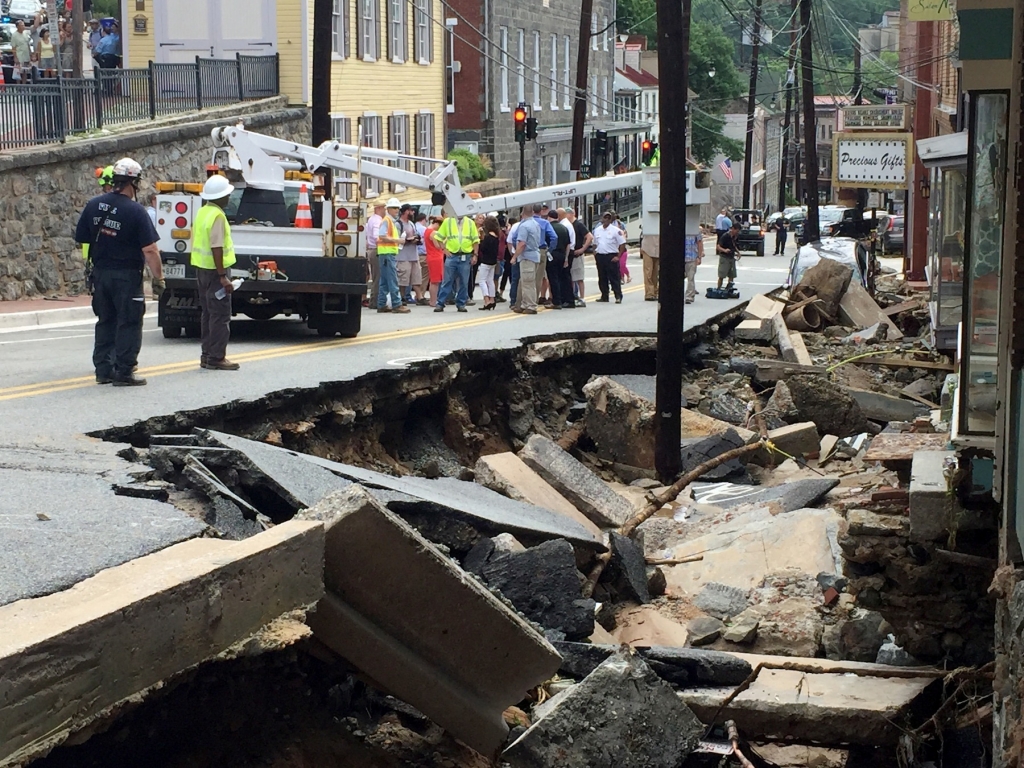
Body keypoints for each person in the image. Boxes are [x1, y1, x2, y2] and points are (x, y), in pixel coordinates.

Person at [74, 157, 163, 387]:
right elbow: (150, 249)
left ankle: (103, 370)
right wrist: (159, 279)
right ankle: (124, 371)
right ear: (133, 183)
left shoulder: (93, 205)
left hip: (101, 275)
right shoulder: (136, 212)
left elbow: (82, 237)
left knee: (106, 320)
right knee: (129, 322)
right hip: (126, 275)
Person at [190, 175, 240, 371]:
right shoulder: (218, 216)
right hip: (214, 272)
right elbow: (216, 246)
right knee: (220, 315)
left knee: (208, 313)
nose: (229, 198)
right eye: (227, 194)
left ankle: (206, 355)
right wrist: (223, 276)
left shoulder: (203, 212)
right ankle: (217, 357)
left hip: (201, 269)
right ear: (220, 197)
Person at [433, 212, 479, 312]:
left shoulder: (470, 223)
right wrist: (444, 250)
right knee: (447, 281)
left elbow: (475, 240)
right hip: (452, 255)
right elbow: (438, 238)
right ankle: (440, 303)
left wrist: (475, 255)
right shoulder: (448, 222)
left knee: (464, 281)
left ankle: (461, 304)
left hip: (465, 256)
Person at [376, 198, 410, 313]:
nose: (397, 210)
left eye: (398, 208)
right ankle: (396, 304)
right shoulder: (387, 221)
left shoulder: (389, 221)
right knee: (392, 279)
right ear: (388, 209)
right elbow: (382, 236)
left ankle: (381, 304)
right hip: (387, 254)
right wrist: (398, 240)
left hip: (385, 253)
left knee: (385, 281)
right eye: (394, 208)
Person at [510, 207, 541, 315]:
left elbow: (522, 243)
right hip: (535, 255)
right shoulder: (536, 224)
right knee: (528, 281)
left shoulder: (524, 226)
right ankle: (524, 304)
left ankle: (531, 305)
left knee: (527, 282)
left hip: (527, 256)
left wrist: (514, 257)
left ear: (522, 213)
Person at [592, 211, 627, 303]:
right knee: (602, 277)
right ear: (602, 219)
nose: (606, 220)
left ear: (611, 219)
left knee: (614, 278)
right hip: (600, 256)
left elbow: (622, 244)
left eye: (608, 218)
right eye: (605, 217)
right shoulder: (597, 230)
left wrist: (618, 256)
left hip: (611, 256)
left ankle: (618, 296)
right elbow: (595, 243)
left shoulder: (616, 230)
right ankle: (604, 296)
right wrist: (594, 253)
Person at [546, 210, 573, 309]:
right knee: (563, 278)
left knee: (553, 278)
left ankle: (556, 301)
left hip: (552, 255)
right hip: (562, 255)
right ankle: (567, 299)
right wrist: (566, 258)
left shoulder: (548, 228)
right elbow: (568, 245)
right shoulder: (564, 228)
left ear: (549, 217)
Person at [396, 204, 421, 306]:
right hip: (403, 256)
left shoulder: (411, 223)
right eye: (411, 211)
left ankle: (420, 297)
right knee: (403, 278)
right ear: (406, 211)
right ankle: (401, 297)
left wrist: (417, 239)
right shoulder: (398, 224)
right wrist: (408, 240)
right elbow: (396, 239)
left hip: (414, 255)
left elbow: (416, 234)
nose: (413, 213)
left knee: (416, 277)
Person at [566, 207, 591, 307]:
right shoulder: (567, 225)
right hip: (570, 254)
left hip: (577, 254)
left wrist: (583, 249)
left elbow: (589, 236)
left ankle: (582, 297)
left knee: (579, 278)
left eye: (567, 214)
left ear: (572, 214)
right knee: (571, 278)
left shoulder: (578, 225)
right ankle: (572, 296)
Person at [476, 216, 501, 310]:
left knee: (482, 280)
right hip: (493, 261)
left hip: (486, 261)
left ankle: (486, 300)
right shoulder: (496, 236)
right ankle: (492, 299)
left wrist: (481, 240)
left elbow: (483, 249)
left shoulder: (487, 237)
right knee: (490, 280)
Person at [364, 198, 385, 308]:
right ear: (379, 208)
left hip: (371, 249)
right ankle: (375, 302)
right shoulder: (377, 221)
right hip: (377, 249)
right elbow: (378, 236)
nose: (385, 210)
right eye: (384, 207)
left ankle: (374, 300)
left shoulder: (371, 219)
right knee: (378, 277)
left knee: (376, 276)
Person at [424, 214, 444, 304]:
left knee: (433, 279)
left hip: (430, 256)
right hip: (436, 257)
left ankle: (433, 300)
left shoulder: (427, 230)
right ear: (437, 224)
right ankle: (433, 301)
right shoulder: (434, 232)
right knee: (435, 281)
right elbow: (437, 245)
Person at [716, 221, 741, 290]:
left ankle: (730, 288)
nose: (737, 232)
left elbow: (734, 245)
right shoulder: (725, 236)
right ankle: (718, 288)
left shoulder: (735, 237)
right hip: (724, 257)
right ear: (732, 228)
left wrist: (738, 252)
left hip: (731, 257)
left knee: (731, 275)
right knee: (722, 275)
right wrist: (724, 250)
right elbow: (718, 247)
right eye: (736, 230)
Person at [414, 212, 431, 305]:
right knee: (424, 276)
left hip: (415, 254)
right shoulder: (424, 229)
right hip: (423, 255)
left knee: (416, 276)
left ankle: (416, 295)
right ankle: (421, 295)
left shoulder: (413, 226)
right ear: (424, 219)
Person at [684, 230, 703, 304]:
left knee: (690, 278)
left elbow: (699, 243)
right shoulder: (679, 227)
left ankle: (689, 296)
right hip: (681, 258)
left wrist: (699, 257)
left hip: (692, 257)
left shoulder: (695, 230)